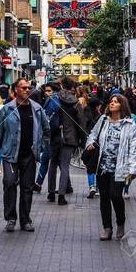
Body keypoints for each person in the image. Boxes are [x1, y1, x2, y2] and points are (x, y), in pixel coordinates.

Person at [0, 77, 50, 232]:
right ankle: (10, 218)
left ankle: (25, 220)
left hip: (29, 155)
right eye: (23, 88)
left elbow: (46, 129)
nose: (27, 90)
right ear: (16, 90)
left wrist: (41, 147)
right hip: (10, 154)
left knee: (27, 188)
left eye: (28, 88)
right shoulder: (7, 109)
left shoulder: (36, 108)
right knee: (9, 183)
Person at [84, 94, 136, 240]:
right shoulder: (103, 120)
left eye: (116, 102)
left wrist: (133, 169)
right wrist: (89, 144)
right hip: (102, 167)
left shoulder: (129, 124)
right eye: (111, 102)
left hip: (119, 168)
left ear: (122, 105)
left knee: (116, 195)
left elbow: (133, 148)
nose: (112, 104)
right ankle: (107, 228)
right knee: (104, 198)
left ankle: (120, 223)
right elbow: (92, 134)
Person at [54, 77, 83, 205]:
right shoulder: (76, 102)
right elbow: (81, 123)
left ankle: (51, 191)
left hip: (55, 135)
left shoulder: (55, 99)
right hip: (70, 137)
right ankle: (61, 194)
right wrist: (83, 139)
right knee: (65, 165)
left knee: (53, 164)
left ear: (61, 85)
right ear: (72, 87)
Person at [35, 82, 62, 197]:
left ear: (54, 91)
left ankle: (39, 183)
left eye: (49, 91)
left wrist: (46, 131)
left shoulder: (53, 101)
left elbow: (50, 119)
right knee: (59, 162)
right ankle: (39, 183)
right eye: (46, 91)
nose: (46, 93)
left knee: (47, 159)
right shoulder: (53, 100)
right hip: (53, 136)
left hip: (52, 136)